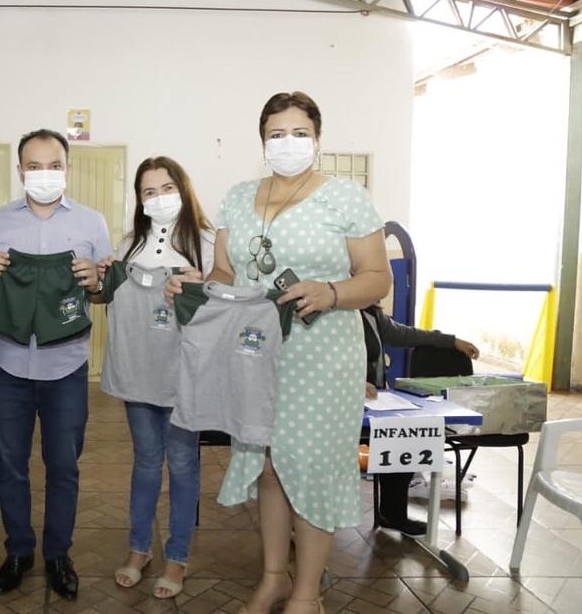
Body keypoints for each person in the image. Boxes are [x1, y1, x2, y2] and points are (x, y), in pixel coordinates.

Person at [206, 92, 392, 614]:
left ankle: (307, 594)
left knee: (310, 467)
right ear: (262, 140)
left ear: (317, 138)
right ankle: (273, 578)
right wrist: (202, 285)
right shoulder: (239, 198)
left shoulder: (346, 198)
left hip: (323, 352)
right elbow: (226, 270)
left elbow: (376, 279)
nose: (287, 143)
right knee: (268, 465)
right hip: (254, 351)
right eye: (276, 134)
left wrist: (330, 292)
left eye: (299, 133)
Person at [0, 129, 112, 601]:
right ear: (19, 171)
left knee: (63, 466)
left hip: (67, 367)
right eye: (33, 166)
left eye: (52, 164)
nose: (43, 174)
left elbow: (99, 294)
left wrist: (96, 279)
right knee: (12, 464)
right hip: (11, 365)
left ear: (67, 168)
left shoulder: (92, 223)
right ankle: (19, 550)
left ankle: (59, 553)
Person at [102, 157, 215, 598]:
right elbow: (105, 293)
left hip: (185, 373)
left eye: (166, 187)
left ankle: (178, 556)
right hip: (138, 370)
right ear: (139, 199)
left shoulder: (206, 242)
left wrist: (204, 283)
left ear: (183, 190)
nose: (158, 197)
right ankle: (138, 548)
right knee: (146, 461)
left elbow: (224, 303)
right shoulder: (129, 245)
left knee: (184, 464)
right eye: (149, 191)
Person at [361, 305, 479, 535]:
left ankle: (392, 514)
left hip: (374, 402)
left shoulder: (371, 313)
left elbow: (406, 334)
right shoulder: (333, 310)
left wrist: (452, 341)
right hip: (335, 401)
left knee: (404, 433)